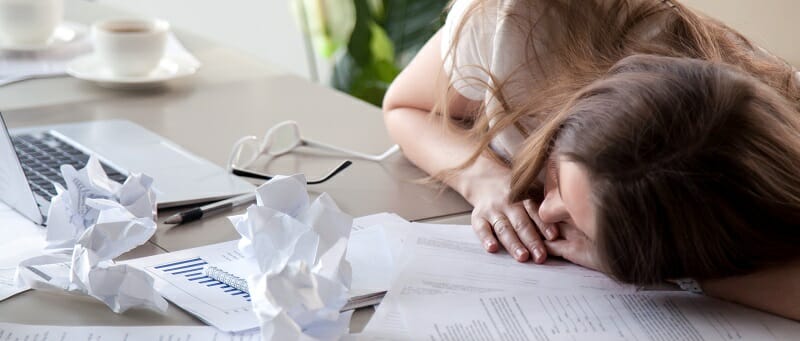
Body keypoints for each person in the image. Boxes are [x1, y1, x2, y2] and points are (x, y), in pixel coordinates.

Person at [382, 0, 800, 320]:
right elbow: (403, 106)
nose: (544, 210)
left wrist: (677, 275)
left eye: (584, 227)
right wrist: (487, 181)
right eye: (555, 177)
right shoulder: (521, 24)